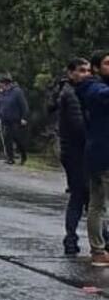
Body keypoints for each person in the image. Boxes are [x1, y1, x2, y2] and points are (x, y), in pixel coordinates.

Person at [49, 58, 91, 255]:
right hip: (76, 151)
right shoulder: (71, 94)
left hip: (76, 150)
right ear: (71, 72)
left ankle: (98, 236)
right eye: (81, 71)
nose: (86, 74)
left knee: (89, 195)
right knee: (80, 194)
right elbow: (78, 126)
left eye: (88, 71)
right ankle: (71, 238)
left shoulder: (71, 91)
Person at [76, 50, 109, 267]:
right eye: (107, 63)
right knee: (99, 204)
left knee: (99, 204)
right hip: (103, 155)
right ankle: (98, 250)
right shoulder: (93, 88)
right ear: (96, 68)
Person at [0, 74, 29, 165]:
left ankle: (23, 155)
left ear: (7, 84)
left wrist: (24, 117)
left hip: (16, 119)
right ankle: (10, 158)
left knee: (17, 138)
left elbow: (24, 105)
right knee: (7, 139)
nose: (1, 86)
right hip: (5, 119)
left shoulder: (17, 92)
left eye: (2, 84)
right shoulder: (2, 93)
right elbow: (0, 105)